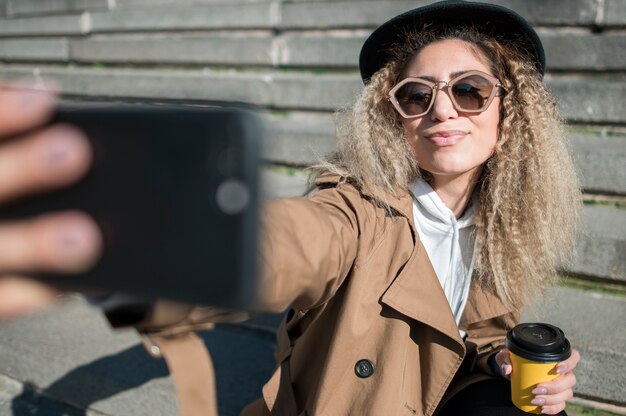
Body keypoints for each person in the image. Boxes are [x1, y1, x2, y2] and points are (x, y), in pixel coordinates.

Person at [0, 1, 582, 415]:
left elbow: (472, 327)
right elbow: (283, 244)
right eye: (416, 95)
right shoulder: (356, 212)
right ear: (394, 121)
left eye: (470, 89)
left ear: (509, 121)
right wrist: (130, 236)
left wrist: (504, 362)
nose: (443, 111)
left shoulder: (502, 221)